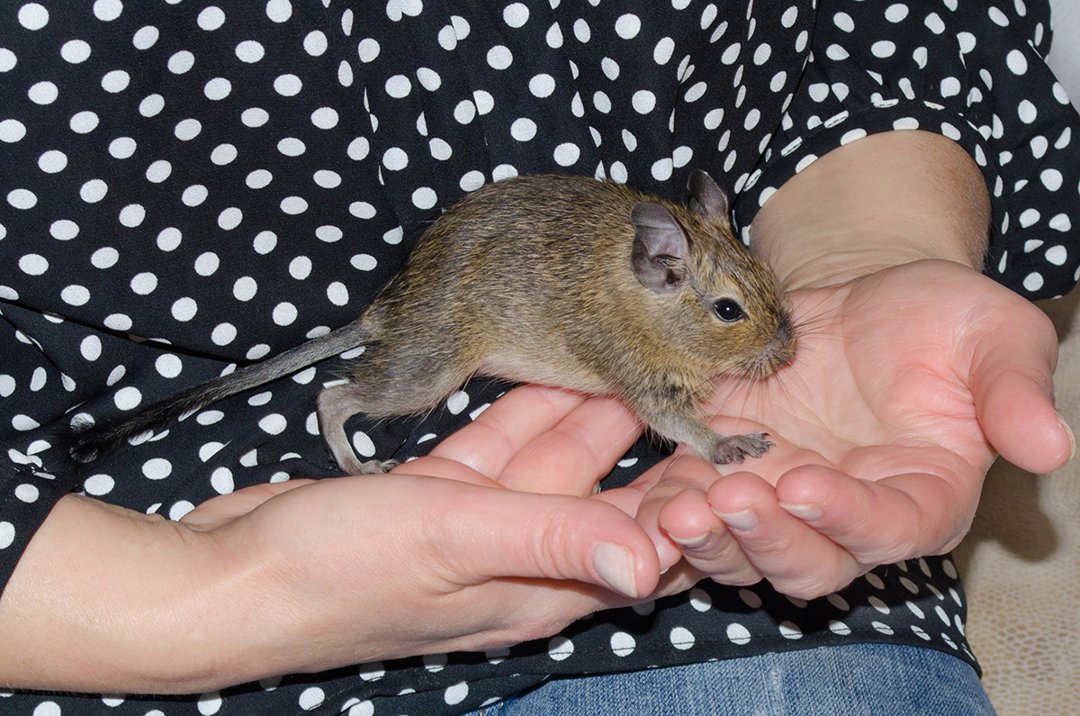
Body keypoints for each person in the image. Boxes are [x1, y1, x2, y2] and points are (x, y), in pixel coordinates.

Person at [0, 1, 1076, 714]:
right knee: (407, 378)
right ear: (661, 271)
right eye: (741, 320)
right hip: (99, 564)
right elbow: (656, 391)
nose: (766, 341)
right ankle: (342, 413)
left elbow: (881, 25)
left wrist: (869, 245)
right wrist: (219, 595)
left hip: (701, 585)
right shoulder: (638, 321)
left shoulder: (676, 274)